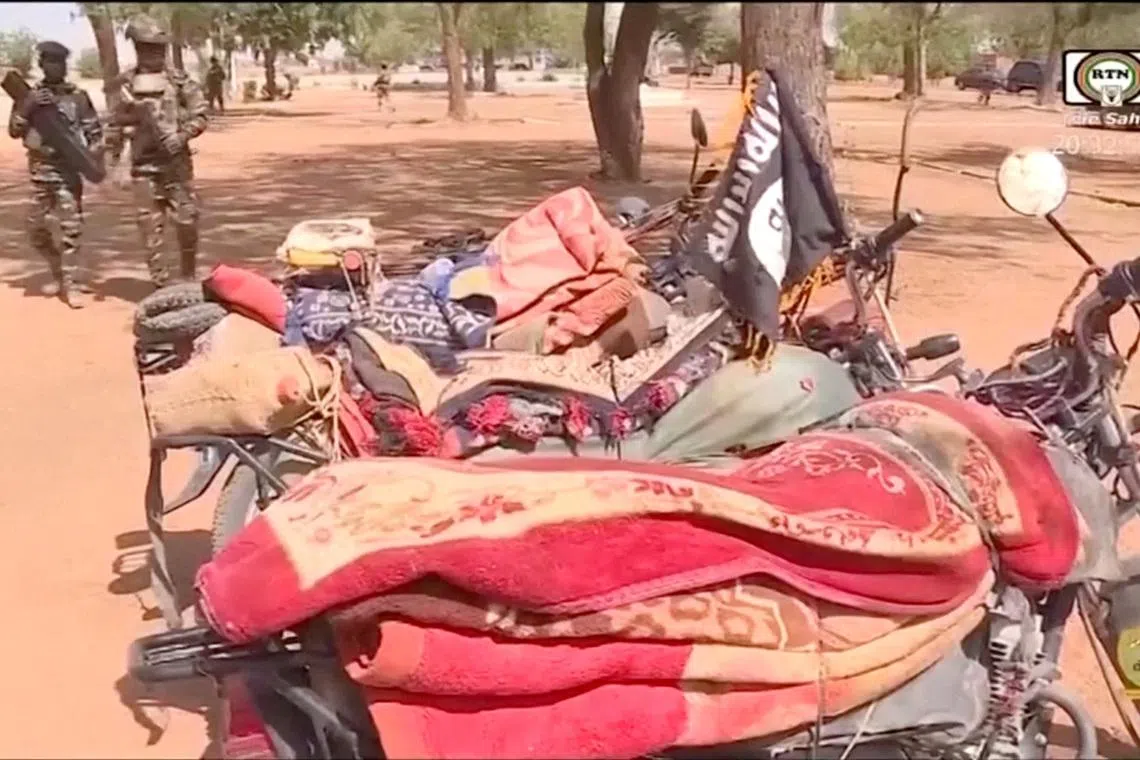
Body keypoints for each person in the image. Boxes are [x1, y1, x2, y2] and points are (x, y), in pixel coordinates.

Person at [105, 15, 209, 288]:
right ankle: (160, 285)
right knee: (150, 230)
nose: (153, 54)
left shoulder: (179, 80)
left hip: (176, 166)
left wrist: (182, 135)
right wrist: (114, 160)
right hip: (143, 168)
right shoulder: (126, 83)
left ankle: (188, 275)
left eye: (158, 48)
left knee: (187, 221)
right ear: (138, 48)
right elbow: (115, 124)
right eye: (147, 48)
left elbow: (200, 114)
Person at [7, 41, 102, 308]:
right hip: (39, 170)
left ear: (64, 65)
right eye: (49, 61)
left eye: (59, 62)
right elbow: (15, 131)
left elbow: (95, 132)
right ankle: (59, 271)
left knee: (71, 229)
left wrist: (90, 157)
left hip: (68, 171)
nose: (54, 66)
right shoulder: (28, 96)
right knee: (35, 228)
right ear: (41, 65)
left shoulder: (77, 97)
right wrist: (28, 107)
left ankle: (71, 286)